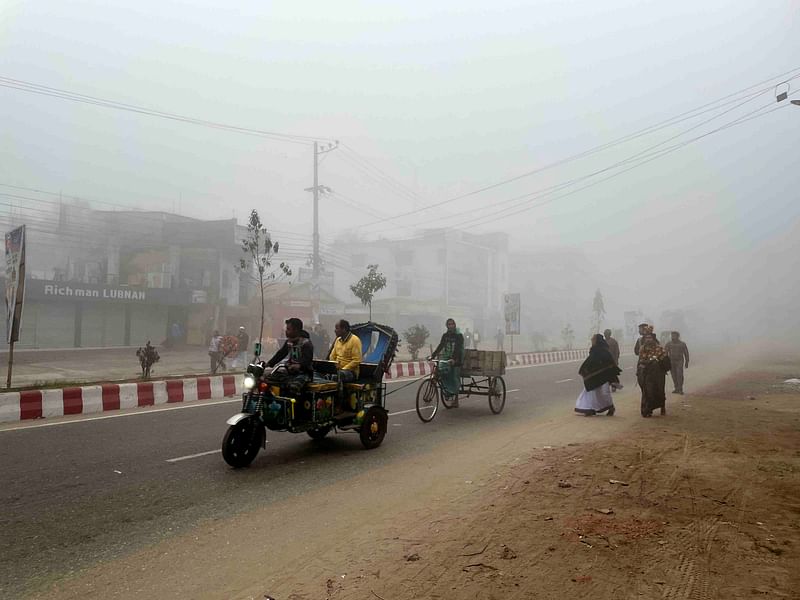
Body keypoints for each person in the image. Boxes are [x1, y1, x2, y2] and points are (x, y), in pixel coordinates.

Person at [575, 334, 622, 416]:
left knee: (605, 393)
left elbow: (609, 365)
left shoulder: (605, 352)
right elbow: (589, 363)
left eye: (593, 340)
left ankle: (611, 407)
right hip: (594, 377)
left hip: (604, 377)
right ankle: (589, 409)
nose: (592, 341)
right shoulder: (593, 351)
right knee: (591, 393)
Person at [266, 317, 314, 395]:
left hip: (304, 374)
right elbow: (281, 354)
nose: (286, 331)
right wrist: (269, 363)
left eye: (288, 329)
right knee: (268, 379)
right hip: (290, 373)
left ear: (296, 330)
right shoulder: (289, 342)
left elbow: (307, 359)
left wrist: (299, 365)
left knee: (293, 387)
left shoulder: (306, 343)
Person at [329, 319, 363, 411]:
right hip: (338, 369)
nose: (335, 330)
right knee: (322, 375)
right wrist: (331, 366)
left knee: (338, 376)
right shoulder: (337, 340)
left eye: (337, 328)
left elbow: (357, 360)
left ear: (344, 329)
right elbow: (332, 356)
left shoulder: (355, 340)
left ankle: (339, 403)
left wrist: (343, 369)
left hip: (351, 372)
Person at [429, 318, 464, 407]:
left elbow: (458, 349)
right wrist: (432, 356)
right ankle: (446, 390)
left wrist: (454, 359)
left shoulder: (459, 336)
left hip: (456, 359)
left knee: (454, 378)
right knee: (440, 370)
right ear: (447, 326)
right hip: (446, 357)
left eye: (452, 324)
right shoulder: (445, 335)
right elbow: (441, 346)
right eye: (449, 324)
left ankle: (456, 400)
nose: (451, 326)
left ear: (455, 325)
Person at [637, 327, 671, 417]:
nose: (648, 340)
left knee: (659, 391)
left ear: (653, 339)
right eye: (646, 338)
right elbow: (640, 360)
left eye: (650, 338)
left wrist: (657, 362)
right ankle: (646, 410)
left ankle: (662, 406)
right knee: (647, 391)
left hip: (658, 375)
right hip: (647, 374)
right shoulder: (642, 349)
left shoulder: (659, 348)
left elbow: (665, 361)